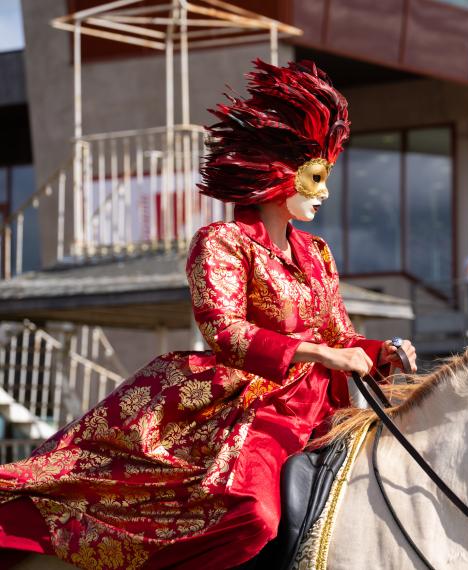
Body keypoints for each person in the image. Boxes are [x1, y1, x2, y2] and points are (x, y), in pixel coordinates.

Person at [0, 60, 417, 569]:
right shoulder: (222, 242)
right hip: (249, 406)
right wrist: (316, 352)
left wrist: (381, 352)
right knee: (255, 517)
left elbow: (339, 334)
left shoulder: (319, 252)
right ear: (278, 175)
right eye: (315, 176)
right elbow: (224, 330)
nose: (323, 191)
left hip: (318, 409)